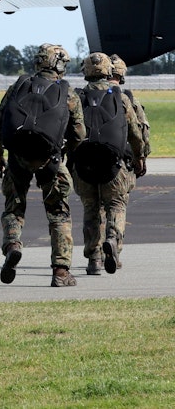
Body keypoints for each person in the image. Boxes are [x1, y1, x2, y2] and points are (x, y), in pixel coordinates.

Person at [0, 43, 85, 288]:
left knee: (13, 208)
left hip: (17, 158)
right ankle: (61, 272)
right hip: (51, 160)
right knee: (59, 214)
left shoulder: (19, 86)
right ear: (60, 64)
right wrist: (65, 153)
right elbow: (79, 134)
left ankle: (12, 243)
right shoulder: (67, 92)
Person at [72, 53, 146, 275]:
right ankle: (113, 240)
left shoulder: (76, 97)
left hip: (83, 165)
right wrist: (140, 156)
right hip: (114, 165)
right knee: (116, 205)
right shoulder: (120, 98)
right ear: (109, 71)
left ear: (86, 71)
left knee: (90, 209)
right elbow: (135, 133)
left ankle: (94, 259)